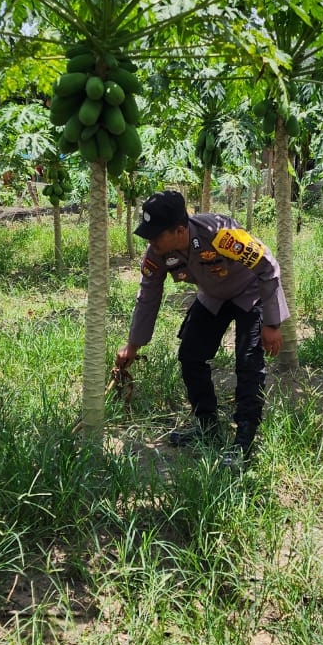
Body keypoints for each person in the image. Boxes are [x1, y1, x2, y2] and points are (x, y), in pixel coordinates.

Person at [116, 190, 287, 463]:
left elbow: (267, 267)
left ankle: (243, 440)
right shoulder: (157, 252)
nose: (151, 241)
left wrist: (272, 323)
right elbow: (148, 295)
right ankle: (207, 427)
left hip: (249, 292)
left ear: (180, 230)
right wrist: (133, 345)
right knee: (190, 355)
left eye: (156, 235)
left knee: (248, 363)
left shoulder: (222, 235)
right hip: (213, 297)